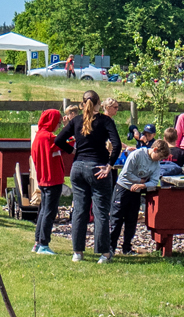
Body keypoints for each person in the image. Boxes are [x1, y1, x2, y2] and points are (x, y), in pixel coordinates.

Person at [54, 89, 121, 263]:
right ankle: (104, 254)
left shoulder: (76, 120)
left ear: (82, 104)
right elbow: (117, 144)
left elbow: (59, 140)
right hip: (98, 167)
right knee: (100, 211)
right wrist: (109, 165)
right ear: (99, 103)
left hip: (78, 168)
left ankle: (77, 252)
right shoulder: (105, 121)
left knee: (80, 211)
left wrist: (73, 150)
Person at [110, 139, 170, 256]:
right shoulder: (137, 154)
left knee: (131, 220)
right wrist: (140, 180)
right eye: (160, 156)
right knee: (116, 219)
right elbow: (126, 173)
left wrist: (142, 185)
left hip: (136, 191)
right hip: (123, 188)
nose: (160, 160)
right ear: (155, 149)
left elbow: (153, 181)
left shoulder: (156, 164)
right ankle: (110, 247)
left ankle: (127, 248)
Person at [30, 109, 65, 254]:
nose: (58, 126)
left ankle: (37, 242)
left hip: (43, 179)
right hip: (53, 179)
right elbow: (66, 142)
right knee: (49, 212)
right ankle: (44, 244)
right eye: (57, 122)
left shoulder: (39, 136)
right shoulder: (50, 137)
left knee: (43, 211)